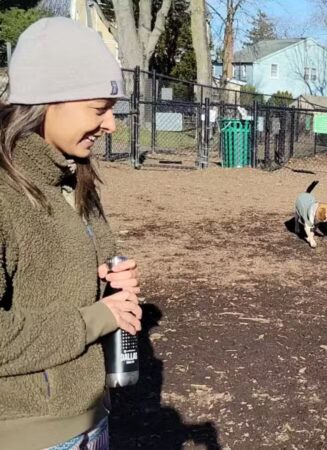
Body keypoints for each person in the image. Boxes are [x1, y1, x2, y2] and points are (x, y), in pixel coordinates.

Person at [0, 18, 142, 450]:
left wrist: (109, 282)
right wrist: (99, 317)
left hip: (92, 421)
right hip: (31, 436)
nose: (112, 125)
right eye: (99, 109)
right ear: (45, 103)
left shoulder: (72, 179)